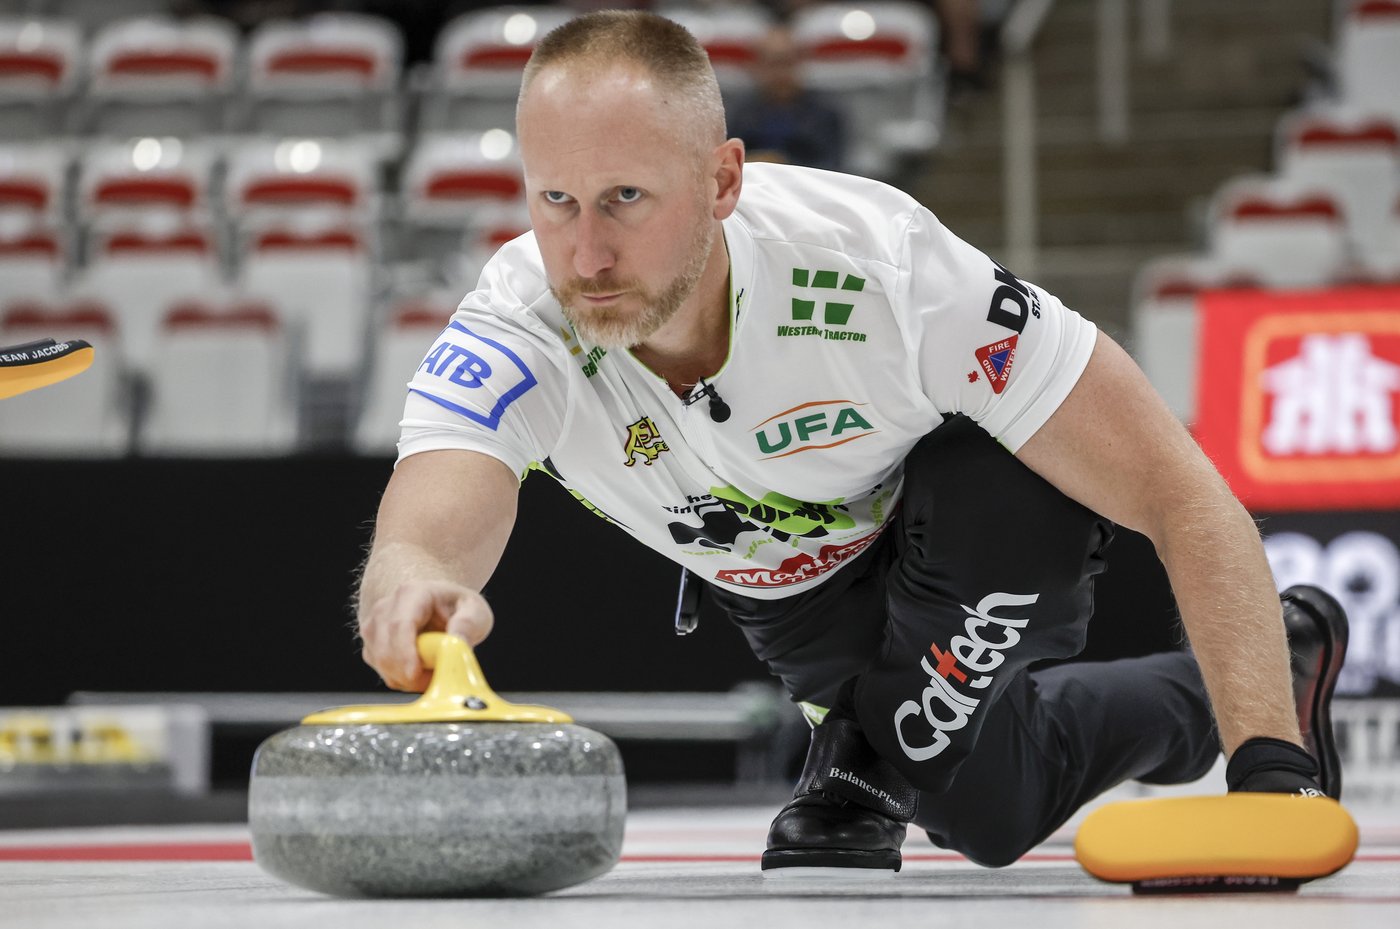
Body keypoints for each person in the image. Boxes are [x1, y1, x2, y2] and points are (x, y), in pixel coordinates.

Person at [355, 10, 1348, 874]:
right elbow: (433, 508)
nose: (587, 254)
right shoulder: (519, 318)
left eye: (626, 198)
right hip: (791, 591)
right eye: (555, 200)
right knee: (989, 812)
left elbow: (1180, 490)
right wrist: (411, 582)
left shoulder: (887, 268)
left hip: (961, 519)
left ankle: (866, 754)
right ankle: (1269, 662)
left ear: (722, 179)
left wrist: (1270, 768)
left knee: (996, 517)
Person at [726, 25, 848, 172]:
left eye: (787, 63)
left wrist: (782, 164)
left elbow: (834, 166)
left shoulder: (826, 114)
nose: (780, 73)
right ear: (755, 66)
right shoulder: (739, 113)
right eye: (772, 64)